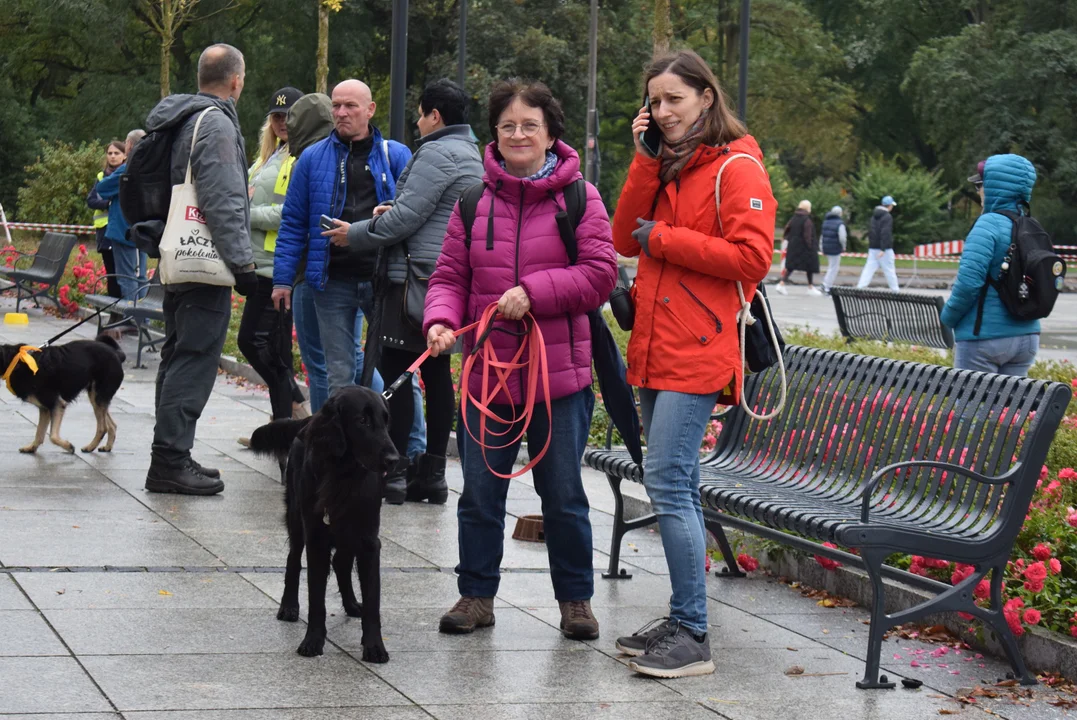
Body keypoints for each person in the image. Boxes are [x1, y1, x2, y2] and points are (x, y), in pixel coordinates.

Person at [424, 80, 617, 640]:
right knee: (481, 496)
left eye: (529, 125)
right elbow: (449, 276)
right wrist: (439, 319)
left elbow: (600, 275)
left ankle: (575, 601)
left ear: (551, 132)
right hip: (489, 376)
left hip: (560, 380)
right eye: (507, 125)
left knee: (563, 498)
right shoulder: (472, 199)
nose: (517, 134)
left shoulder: (582, 197)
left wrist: (536, 290)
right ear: (494, 134)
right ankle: (475, 595)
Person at [611, 50, 776, 678]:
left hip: (699, 347)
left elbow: (751, 258)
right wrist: (645, 161)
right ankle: (682, 617)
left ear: (706, 98)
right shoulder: (672, 166)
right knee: (668, 480)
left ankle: (693, 631)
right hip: (657, 342)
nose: (662, 110)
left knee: (670, 482)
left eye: (674, 99)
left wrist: (663, 237)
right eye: (654, 101)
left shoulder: (736, 166)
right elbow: (627, 235)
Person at [327, 79, 482, 504]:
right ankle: (430, 473)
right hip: (442, 277)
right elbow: (428, 212)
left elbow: (408, 219)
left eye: (420, 113)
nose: (417, 121)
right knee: (433, 373)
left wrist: (353, 233)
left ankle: (392, 474)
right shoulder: (472, 152)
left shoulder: (436, 152)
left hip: (414, 279)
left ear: (435, 116)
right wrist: (391, 210)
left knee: (400, 371)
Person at [142, 43, 259, 495]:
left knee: (176, 355)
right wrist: (244, 264)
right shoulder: (216, 125)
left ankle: (170, 453)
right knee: (193, 358)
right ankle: (169, 461)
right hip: (204, 261)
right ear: (236, 81)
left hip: (176, 254)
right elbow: (223, 199)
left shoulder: (182, 118)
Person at [237, 86, 308, 425]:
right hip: (262, 265)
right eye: (277, 116)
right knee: (274, 352)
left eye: (289, 116)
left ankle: (291, 412)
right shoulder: (271, 154)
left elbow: (290, 214)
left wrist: (244, 213)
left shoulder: (300, 157)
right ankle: (286, 421)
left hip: (279, 267)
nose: (282, 122)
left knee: (255, 343)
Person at [942, 156, 1041, 375]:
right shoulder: (1031, 226)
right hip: (1027, 337)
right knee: (1010, 409)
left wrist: (948, 317)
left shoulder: (987, 225)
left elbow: (968, 283)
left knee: (970, 408)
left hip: (983, 338)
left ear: (993, 187)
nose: (978, 192)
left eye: (980, 185)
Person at [93, 130, 148, 302]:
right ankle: (142, 321)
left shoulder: (128, 168)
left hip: (123, 230)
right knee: (140, 277)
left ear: (129, 145)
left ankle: (131, 321)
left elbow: (102, 188)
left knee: (126, 277)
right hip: (146, 229)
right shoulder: (151, 165)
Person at [86, 141, 126, 322]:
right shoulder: (102, 176)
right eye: (110, 153)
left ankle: (123, 314)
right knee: (111, 274)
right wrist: (109, 203)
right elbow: (91, 200)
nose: (112, 156)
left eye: (117, 153)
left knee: (122, 274)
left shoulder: (126, 174)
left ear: (125, 155)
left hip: (120, 230)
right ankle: (114, 314)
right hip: (104, 231)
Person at [774, 199, 820, 295]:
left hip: (793, 246)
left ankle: (783, 284)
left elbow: (787, 229)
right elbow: (808, 235)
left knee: (791, 266)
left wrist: (786, 239)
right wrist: (811, 247)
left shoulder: (794, 218)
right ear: (808, 208)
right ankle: (809, 287)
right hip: (804, 248)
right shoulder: (807, 220)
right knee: (809, 266)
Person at [856, 195, 900, 291]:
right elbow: (885, 232)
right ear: (889, 206)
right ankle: (895, 291)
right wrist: (883, 248)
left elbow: (872, 231)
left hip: (873, 247)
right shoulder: (887, 217)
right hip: (884, 249)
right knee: (889, 270)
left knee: (869, 269)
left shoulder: (874, 216)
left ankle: (860, 288)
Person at [820, 205, 848, 294]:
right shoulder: (840, 223)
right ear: (840, 213)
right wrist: (843, 246)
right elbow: (842, 237)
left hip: (826, 248)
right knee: (834, 268)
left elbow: (822, 236)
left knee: (830, 267)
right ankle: (827, 286)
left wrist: (822, 248)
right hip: (835, 248)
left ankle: (825, 284)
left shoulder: (825, 222)